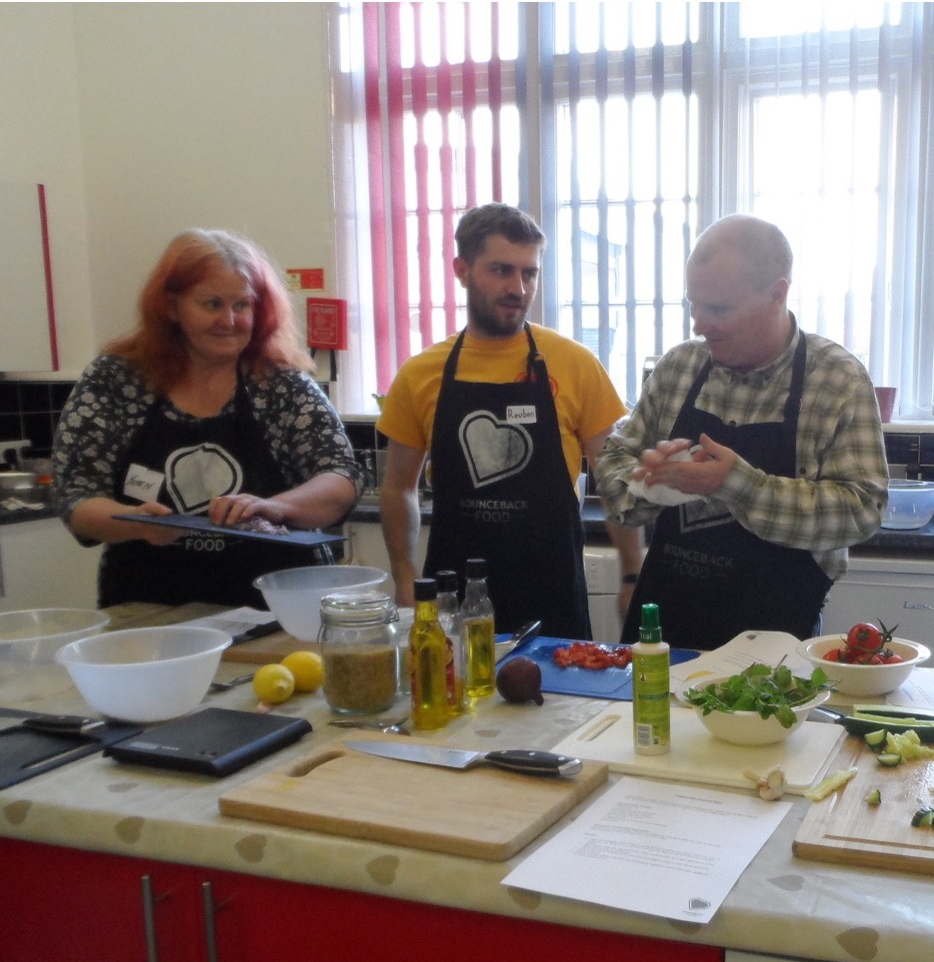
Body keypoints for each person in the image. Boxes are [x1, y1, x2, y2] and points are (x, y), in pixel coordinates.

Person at [594, 213, 888, 651]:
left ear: (777, 294)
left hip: (773, 645)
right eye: (695, 304)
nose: (699, 324)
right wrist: (647, 484)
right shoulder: (679, 369)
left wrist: (739, 485)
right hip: (664, 635)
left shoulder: (837, 381)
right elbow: (613, 459)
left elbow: (862, 510)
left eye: (718, 309)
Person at [53, 229, 362, 608]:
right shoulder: (116, 380)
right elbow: (76, 495)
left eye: (242, 305)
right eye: (212, 304)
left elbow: (341, 477)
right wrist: (135, 521)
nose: (229, 321)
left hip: (277, 611)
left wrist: (277, 507)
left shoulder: (281, 385)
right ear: (171, 306)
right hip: (148, 612)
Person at [377, 203, 642, 639]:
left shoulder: (573, 364)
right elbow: (398, 486)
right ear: (462, 270)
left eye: (529, 273)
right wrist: (403, 573)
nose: (517, 287)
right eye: (501, 270)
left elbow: (615, 479)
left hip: (551, 595)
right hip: (451, 599)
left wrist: (632, 575)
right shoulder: (421, 373)